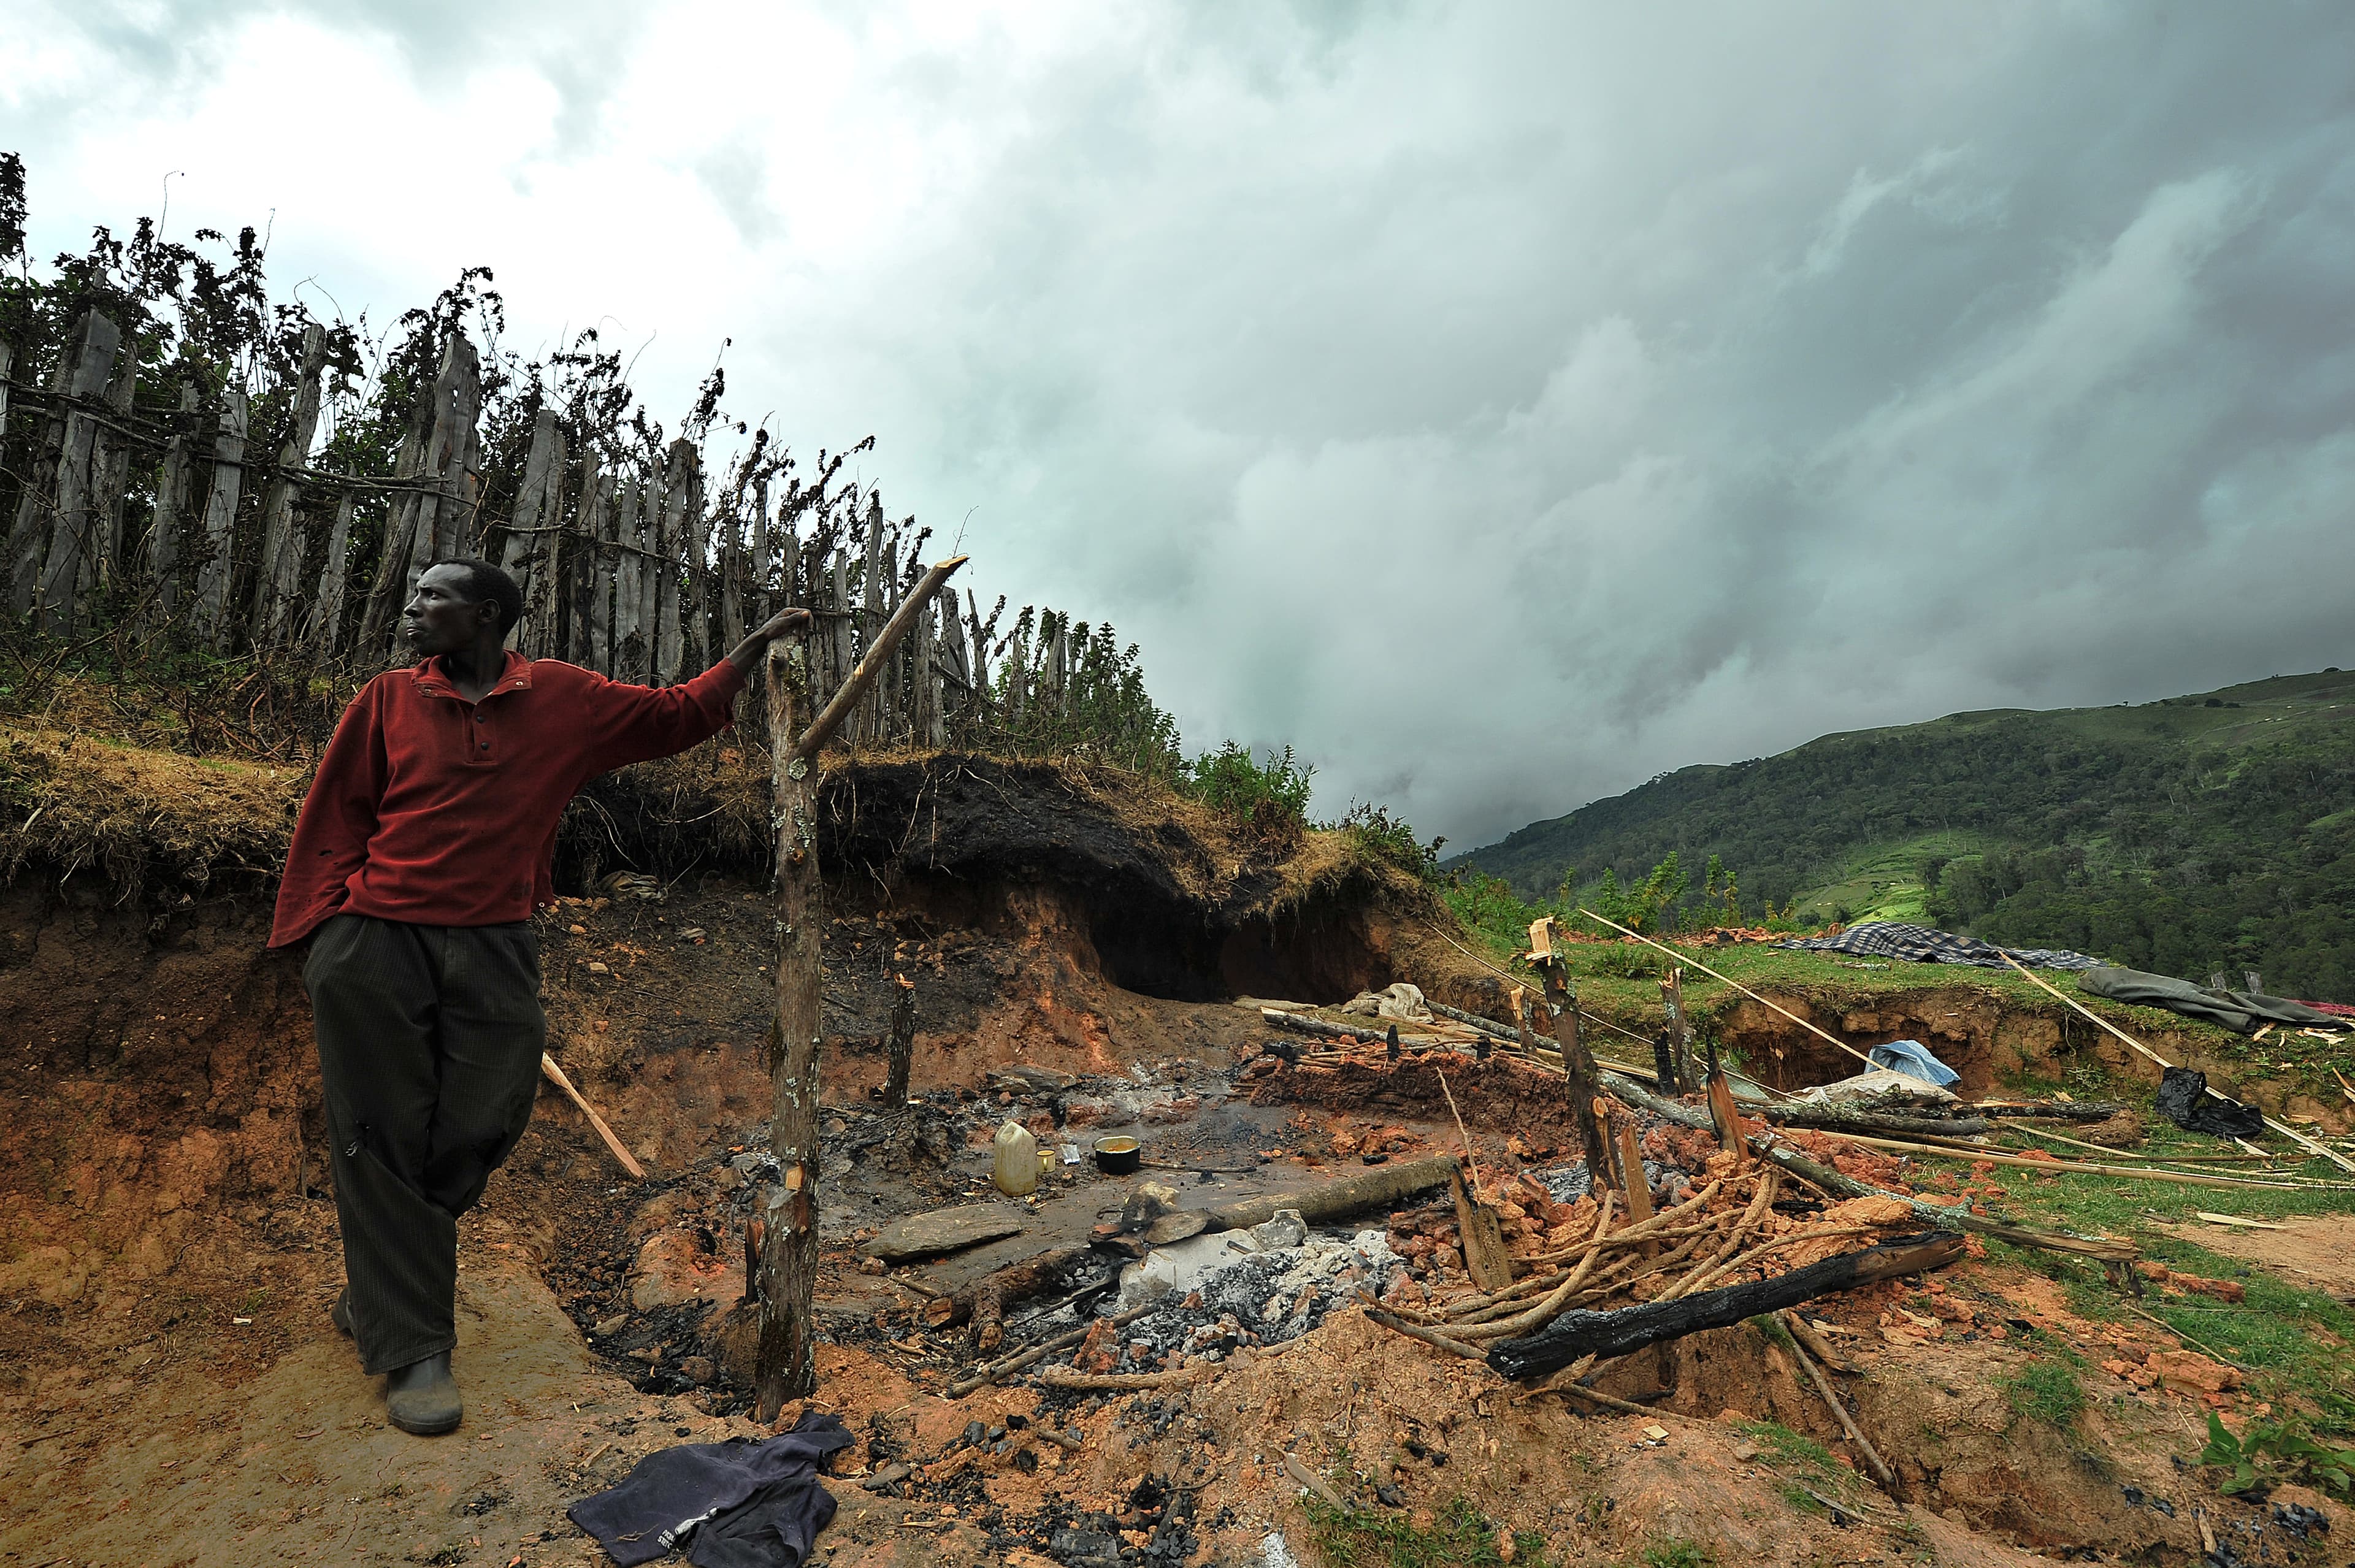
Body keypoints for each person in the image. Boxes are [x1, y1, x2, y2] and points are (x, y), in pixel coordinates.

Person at [269, 557, 809, 1435]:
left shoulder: (564, 698)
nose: (413, 606)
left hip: (495, 942)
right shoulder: (386, 700)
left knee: (489, 1110)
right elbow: (337, 814)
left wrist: (748, 650)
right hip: (378, 944)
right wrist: (322, 937)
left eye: (432, 596)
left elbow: (676, 715)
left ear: (485, 616)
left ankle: (384, 1280)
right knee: (378, 1128)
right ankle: (416, 1349)